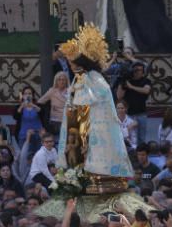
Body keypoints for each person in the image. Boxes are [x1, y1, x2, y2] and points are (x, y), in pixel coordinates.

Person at [58, 24, 133, 194]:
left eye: (72, 62)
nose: (70, 65)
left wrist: (78, 97)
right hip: (77, 124)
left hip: (94, 125)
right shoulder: (80, 78)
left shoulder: (94, 77)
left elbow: (95, 96)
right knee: (76, 156)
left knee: (93, 157)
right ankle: (76, 179)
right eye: (69, 62)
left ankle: (95, 179)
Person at [116, 61, 151, 144]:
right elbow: (119, 96)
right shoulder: (127, 81)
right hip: (129, 114)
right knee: (128, 136)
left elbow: (146, 90)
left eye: (140, 70)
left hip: (141, 113)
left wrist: (131, 87)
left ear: (143, 72)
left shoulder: (146, 81)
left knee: (141, 138)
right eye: (136, 70)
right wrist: (122, 82)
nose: (138, 72)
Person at [13, 86, 43, 153]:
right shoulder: (19, 107)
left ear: (33, 95)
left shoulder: (38, 106)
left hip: (38, 135)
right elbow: (15, 116)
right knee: (26, 156)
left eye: (29, 93)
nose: (28, 95)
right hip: (24, 136)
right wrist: (22, 106)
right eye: (26, 94)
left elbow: (42, 113)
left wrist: (33, 105)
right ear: (23, 96)